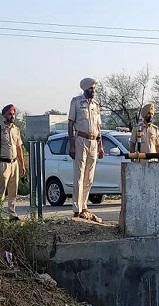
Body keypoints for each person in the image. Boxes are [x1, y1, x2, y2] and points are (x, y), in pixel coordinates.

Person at [68, 77, 103, 222]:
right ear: (85, 89)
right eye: (91, 89)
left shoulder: (96, 104)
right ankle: (77, 208)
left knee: (89, 176)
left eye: (94, 88)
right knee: (79, 175)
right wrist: (71, 144)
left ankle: (84, 205)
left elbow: (98, 127)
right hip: (80, 139)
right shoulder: (76, 102)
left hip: (93, 141)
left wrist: (101, 146)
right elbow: (70, 124)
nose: (93, 91)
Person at [0, 104, 25, 221]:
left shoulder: (16, 129)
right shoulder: (0, 128)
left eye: (13, 113)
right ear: (5, 115)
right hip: (3, 163)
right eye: (10, 114)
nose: (12, 115)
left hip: (14, 164)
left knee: (13, 190)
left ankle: (12, 214)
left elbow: (19, 148)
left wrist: (22, 164)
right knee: (1, 190)